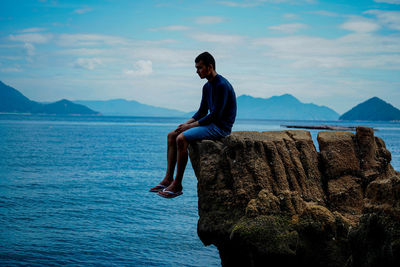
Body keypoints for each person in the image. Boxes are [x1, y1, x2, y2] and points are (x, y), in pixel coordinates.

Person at [149, 52, 237, 198]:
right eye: (196, 68)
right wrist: (186, 123)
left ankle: (177, 185)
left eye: (199, 68)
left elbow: (216, 115)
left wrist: (189, 128)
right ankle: (168, 178)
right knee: (172, 135)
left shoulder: (221, 85)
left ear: (209, 67)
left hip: (221, 127)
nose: (197, 71)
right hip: (210, 124)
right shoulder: (207, 87)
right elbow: (202, 111)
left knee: (181, 139)